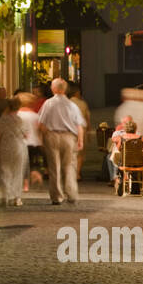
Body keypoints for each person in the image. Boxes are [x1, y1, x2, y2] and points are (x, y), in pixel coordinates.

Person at [39, 78, 86, 206]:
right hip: (69, 138)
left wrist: (42, 138)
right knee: (70, 166)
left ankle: (57, 197)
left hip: (52, 136)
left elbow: (41, 124)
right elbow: (79, 125)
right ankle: (71, 194)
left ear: (53, 89)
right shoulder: (72, 105)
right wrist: (80, 140)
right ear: (64, 89)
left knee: (54, 168)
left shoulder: (48, 104)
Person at [0, 102, 29, 207]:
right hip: (18, 147)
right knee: (18, 172)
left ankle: (6, 195)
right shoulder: (21, 119)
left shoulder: (3, 119)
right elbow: (26, 135)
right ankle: (17, 198)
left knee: (5, 171)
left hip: (4, 147)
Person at [17, 92, 44, 191]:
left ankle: (25, 184)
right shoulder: (35, 115)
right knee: (31, 163)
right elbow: (40, 129)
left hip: (21, 143)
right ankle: (35, 174)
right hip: (34, 143)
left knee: (22, 164)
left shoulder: (17, 115)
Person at [67, 83, 91, 178]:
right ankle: (77, 173)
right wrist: (89, 131)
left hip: (68, 130)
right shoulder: (83, 103)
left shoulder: (67, 103)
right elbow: (87, 118)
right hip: (81, 130)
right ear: (77, 93)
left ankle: (69, 172)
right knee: (80, 153)